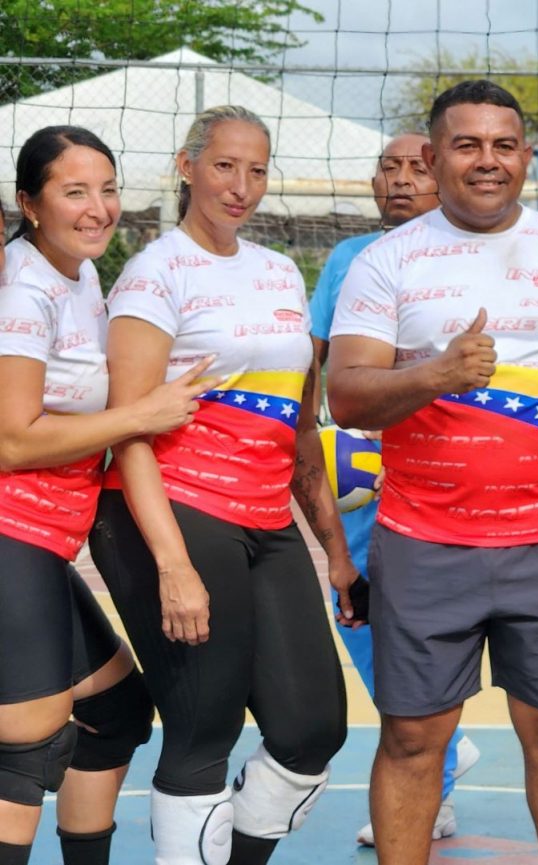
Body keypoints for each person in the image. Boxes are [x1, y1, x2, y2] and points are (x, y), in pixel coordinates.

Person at [326, 79, 538, 865]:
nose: (487, 160)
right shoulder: (386, 261)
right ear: (433, 157)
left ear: (526, 156)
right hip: (423, 541)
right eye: (467, 145)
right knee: (411, 737)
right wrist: (437, 372)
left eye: (504, 145)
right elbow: (346, 394)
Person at [90, 105, 356, 865]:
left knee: (312, 729)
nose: (241, 186)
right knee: (205, 726)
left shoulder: (279, 272)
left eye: (257, 170)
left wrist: (336, 551)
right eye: (224, 166)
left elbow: (298, 425)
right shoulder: (156, 272)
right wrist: (173, 564)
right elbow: (129, 427)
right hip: (172, 507)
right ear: (188, 167)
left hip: (266, 516)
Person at [0, 127, 210, 865]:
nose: (98, 208)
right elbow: (12, 441)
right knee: (26, 741)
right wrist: (141, 414)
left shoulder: (81, 273)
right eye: (74, 192)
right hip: (11, 531)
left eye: (108, 188)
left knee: (113, 712)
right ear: (30, 204)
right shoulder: (24, 290)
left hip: (44, 540)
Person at [307, 131, 480, 847]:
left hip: (444, 474)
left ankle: (435, 782)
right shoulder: (348, 260)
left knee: (432, 637)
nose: (402, 179)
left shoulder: (473, 254)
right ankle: (444, 749)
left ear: (443, 175)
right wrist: (307, 439)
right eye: (389, 167)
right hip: (360, 473)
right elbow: (314, 366)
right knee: (360, 615)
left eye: (417, 166)